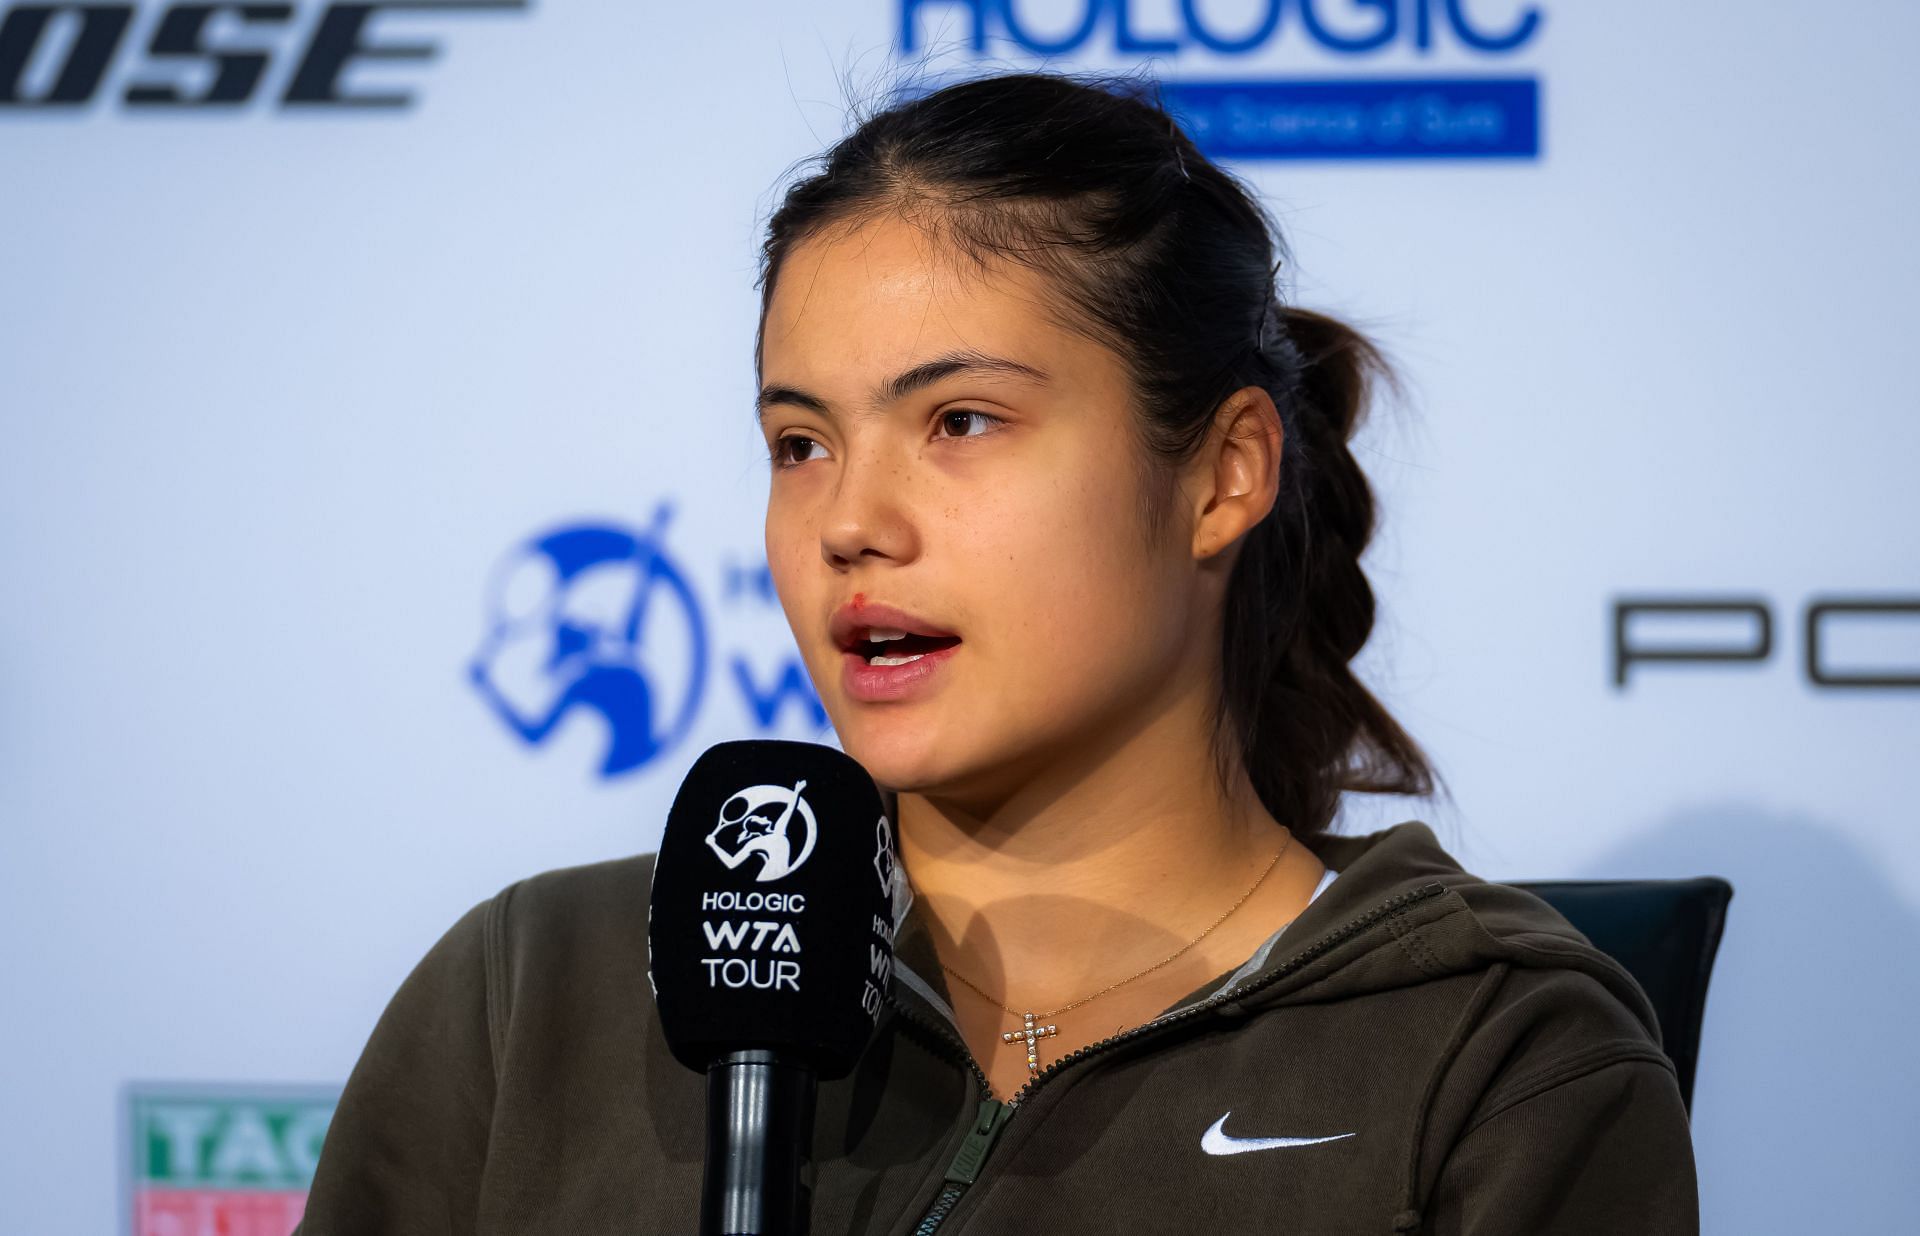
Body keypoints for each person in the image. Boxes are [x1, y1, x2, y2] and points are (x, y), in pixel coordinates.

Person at [295, 70, 1698, 1234]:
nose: (849, 521)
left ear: (1222, 475)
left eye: (959, 421)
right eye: (801, 443)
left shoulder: (1499, 1062)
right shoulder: (535, 994)